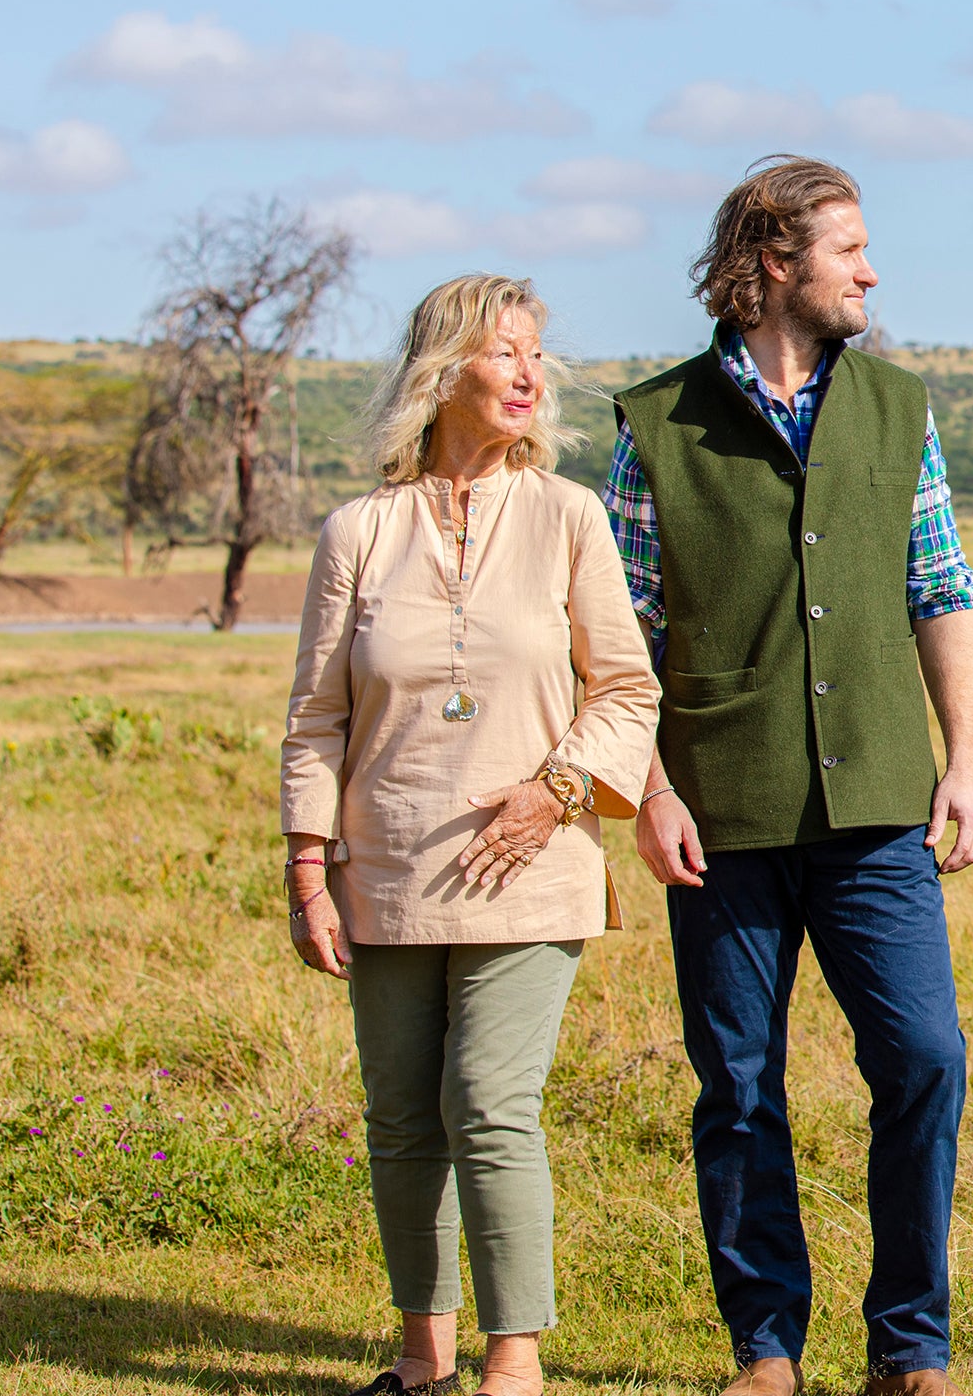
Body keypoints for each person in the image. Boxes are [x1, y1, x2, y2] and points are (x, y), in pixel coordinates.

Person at [604, 157, 973, 1396]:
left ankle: (907, 1348)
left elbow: (941, 588)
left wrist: (964, 759)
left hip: (878, 801)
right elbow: (620, 634)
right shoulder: (653, 423)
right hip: (717, 808)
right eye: (851, 250)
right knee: (739, 1084)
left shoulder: (898, 404)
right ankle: (764, 1349)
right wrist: (649, 793)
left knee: (924, 1058)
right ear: (775, 261)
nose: (872, 271)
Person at [283, 274, 660, 1396]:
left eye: (536, 353)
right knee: (401, 1120)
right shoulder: (359, 530)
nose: (530, 374)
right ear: (445, 371)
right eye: (506, 352)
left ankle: (516, 1361)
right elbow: (315, 717)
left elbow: (627, 690)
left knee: (491, 1107)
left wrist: (557, 789)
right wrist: (308, 868)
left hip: (530, 866)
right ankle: (419, 1358)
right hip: (384, 865)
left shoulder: (566, 515)